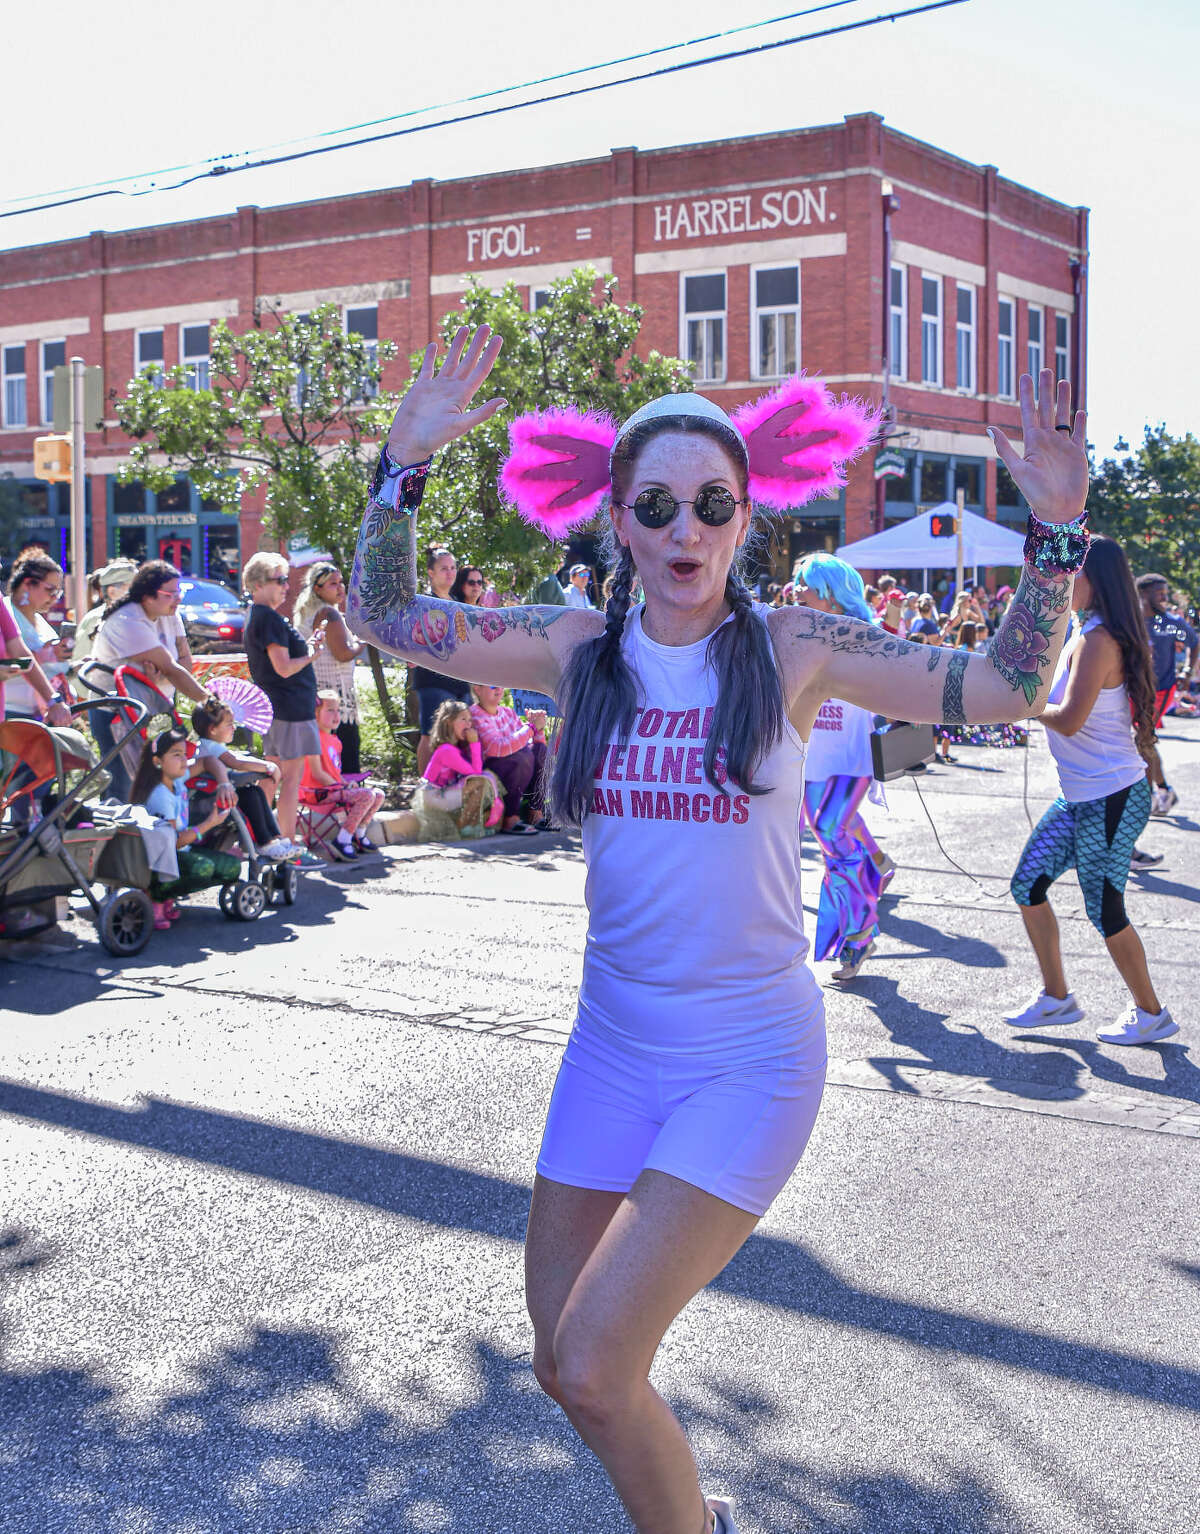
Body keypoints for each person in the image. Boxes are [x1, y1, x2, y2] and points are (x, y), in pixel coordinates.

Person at [346, 327, 1086, 1534]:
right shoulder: (577, 651)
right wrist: (403, 462)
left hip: (748, 1058)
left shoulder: (795, 647)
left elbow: (1002, 686)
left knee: (593, 1362)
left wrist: (1054, 537)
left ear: (746, 516)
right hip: (611, 1050)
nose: (684, 530)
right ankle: (701, 1508)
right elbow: (382, 614)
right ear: (619, 520)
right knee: (564, 1361)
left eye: (711, 504)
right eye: (656, 505)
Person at [1005, 537, 1175, 1047]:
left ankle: (1151, 1013)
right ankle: (1056, 999)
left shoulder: (1099, 641)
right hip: (1081, 797)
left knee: (1105, 908)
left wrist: (1023, 707)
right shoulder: (1086, 631)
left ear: (1093, 579)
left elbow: (1072, 720)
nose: (1062, 583)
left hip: (1113, 796)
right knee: (1028, 884)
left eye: (1070, 574)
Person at [792, 553, 889, 982]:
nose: (797, 590)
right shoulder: (794, 633)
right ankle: (875, 860)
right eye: (797, 581)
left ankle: (860, 936)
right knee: (834, 832)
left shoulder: (866, 637)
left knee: (832, 837)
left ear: (831, 595)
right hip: (811, 757)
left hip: (851, 759)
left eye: (806, 584)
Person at [90, 560, 215, 800]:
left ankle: (154, 835)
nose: (177, 599)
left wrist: (164, 678)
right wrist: (211, 704)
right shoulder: (127, 620)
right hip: (114, 714)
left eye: (178, 592)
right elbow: (172, 669)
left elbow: (182, 661)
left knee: (157, 784)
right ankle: (119, 837)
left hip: (151, 710)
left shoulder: (167, 612)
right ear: (147, 597)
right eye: (170, 594)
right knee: (125, 786)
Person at [242, 551, 322, 853]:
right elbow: (284, 667)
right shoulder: (269, 618)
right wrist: (311, 655)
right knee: (290, 780)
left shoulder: (259, 616)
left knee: (273, 777)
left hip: (278, 708)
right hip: (288, 708)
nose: (286, 587)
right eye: (280, 580)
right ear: (259, 583)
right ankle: (285, 844)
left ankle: (261, 839)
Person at [130, 726, 240, 929]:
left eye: (184, 754)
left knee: (232, 867)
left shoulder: (176, 779)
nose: (184, 760)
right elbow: (173, 842)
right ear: (158, 762)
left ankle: (168, 893)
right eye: (176, 755)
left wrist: (224, 783)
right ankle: (156, 895)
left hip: (180, 853)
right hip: (159, 861)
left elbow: (208, 760)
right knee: (203, 868)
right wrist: (210, 824)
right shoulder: (160, 795)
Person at [190, 698, 296, 861]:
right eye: (229, 724)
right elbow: (236, 762)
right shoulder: (211, 746)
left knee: (254, 791)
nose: (234, 727)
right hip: (212, 798)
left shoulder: (210, 744)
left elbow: (233, 757)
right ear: (213, 729)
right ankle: (265, 842)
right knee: (251, 796)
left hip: (215, 793)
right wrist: (268, 766)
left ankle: (274, 837)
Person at [294, 561, 369, 774]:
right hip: (335, 701)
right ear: (318, 589)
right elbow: (343, 654)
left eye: (341, 582)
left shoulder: (309, 614)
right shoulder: (329, 613)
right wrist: (362, 642)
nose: (340, 588)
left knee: (324, 765)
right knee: (345, 766)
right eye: (333, 584)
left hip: (316, 698)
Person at [1135, 571, 1198, 816]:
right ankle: (1163, 791)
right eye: (1159, 593)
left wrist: (1187, 672)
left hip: (1161, 688)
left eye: (1166, 593)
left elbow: (1194, 643)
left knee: (1143, 739)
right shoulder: (1132, 620)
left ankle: (1149, 795)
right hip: (1133, 688)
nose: (1164, 597)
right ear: (1143, 593)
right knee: (1143, 741)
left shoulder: (1171, 623)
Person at [411, 545, 474, 776]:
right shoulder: (422, 602)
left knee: (461, 735)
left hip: (459, 678)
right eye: (443, 568)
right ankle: (425, 787)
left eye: (453, 568)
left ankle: (450, 785)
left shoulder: (458, 601)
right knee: (430, 734)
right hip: (432, 679)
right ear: (430, 572)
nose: (449, 573)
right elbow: (412, 637)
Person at [299, 689, 385, 858]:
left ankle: (358, 834)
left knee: (378, 794)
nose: (336, 715)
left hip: (333, 790)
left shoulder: (335, 741)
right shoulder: (312, 737)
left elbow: (334, 772)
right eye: (330, 710)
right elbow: (317, 773)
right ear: (315, 714)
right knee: (366, 795)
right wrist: (341, 786)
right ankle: (343, 840)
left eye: (338, 710)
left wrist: (345, 784)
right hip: (317, 794)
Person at [468, 683, 549, 835]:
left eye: (500, 685)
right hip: (490, 771)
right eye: (492, 686)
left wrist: (538, 729)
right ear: (477, 689)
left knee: (540, 751)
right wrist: (531, 727)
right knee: (520, 756)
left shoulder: (508, 713)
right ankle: (510, 818)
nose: (498, 689)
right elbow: (497, 747)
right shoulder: (474, 714)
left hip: (515, 766)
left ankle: (534, 812)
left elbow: (529, 743)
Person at [419, 698, 503, 832]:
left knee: (484, 778)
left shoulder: (455, 748)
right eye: (463, 719)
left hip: (442, 793)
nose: (468, 724)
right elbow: (476, 772)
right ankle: (464, 826)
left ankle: (469, 824)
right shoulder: (446, 750)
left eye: (470, 720)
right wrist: (474, 743)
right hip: (434, 796)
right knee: (479, 781)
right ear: (448, 722)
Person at [73, 560, 137, 664]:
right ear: (112, 592)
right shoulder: (93, 619)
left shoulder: (138, 616)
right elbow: (80, 663)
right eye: (132, 589)